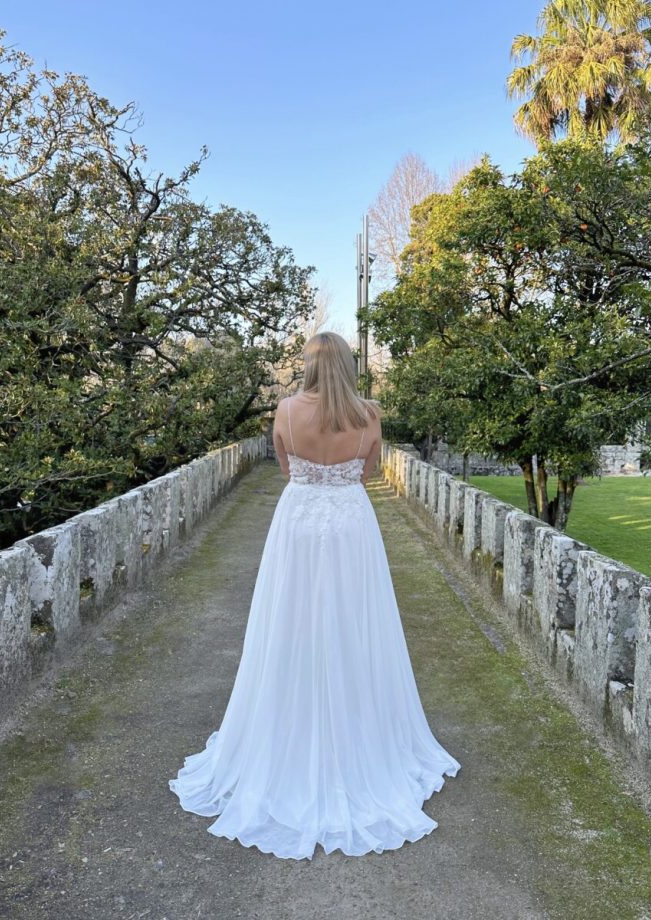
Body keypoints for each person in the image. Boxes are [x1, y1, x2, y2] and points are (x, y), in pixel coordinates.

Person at [168, 331, 461, 859]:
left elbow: (285, 467)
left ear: (306, 365)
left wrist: (313, 476)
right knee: (356, 622)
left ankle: (288, 730)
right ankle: (359, 735)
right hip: (351, 524)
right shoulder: (369, 414)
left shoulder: (284, 410)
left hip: (298, 523)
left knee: (291, 622)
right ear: (349, 366)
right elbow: (368, 473)